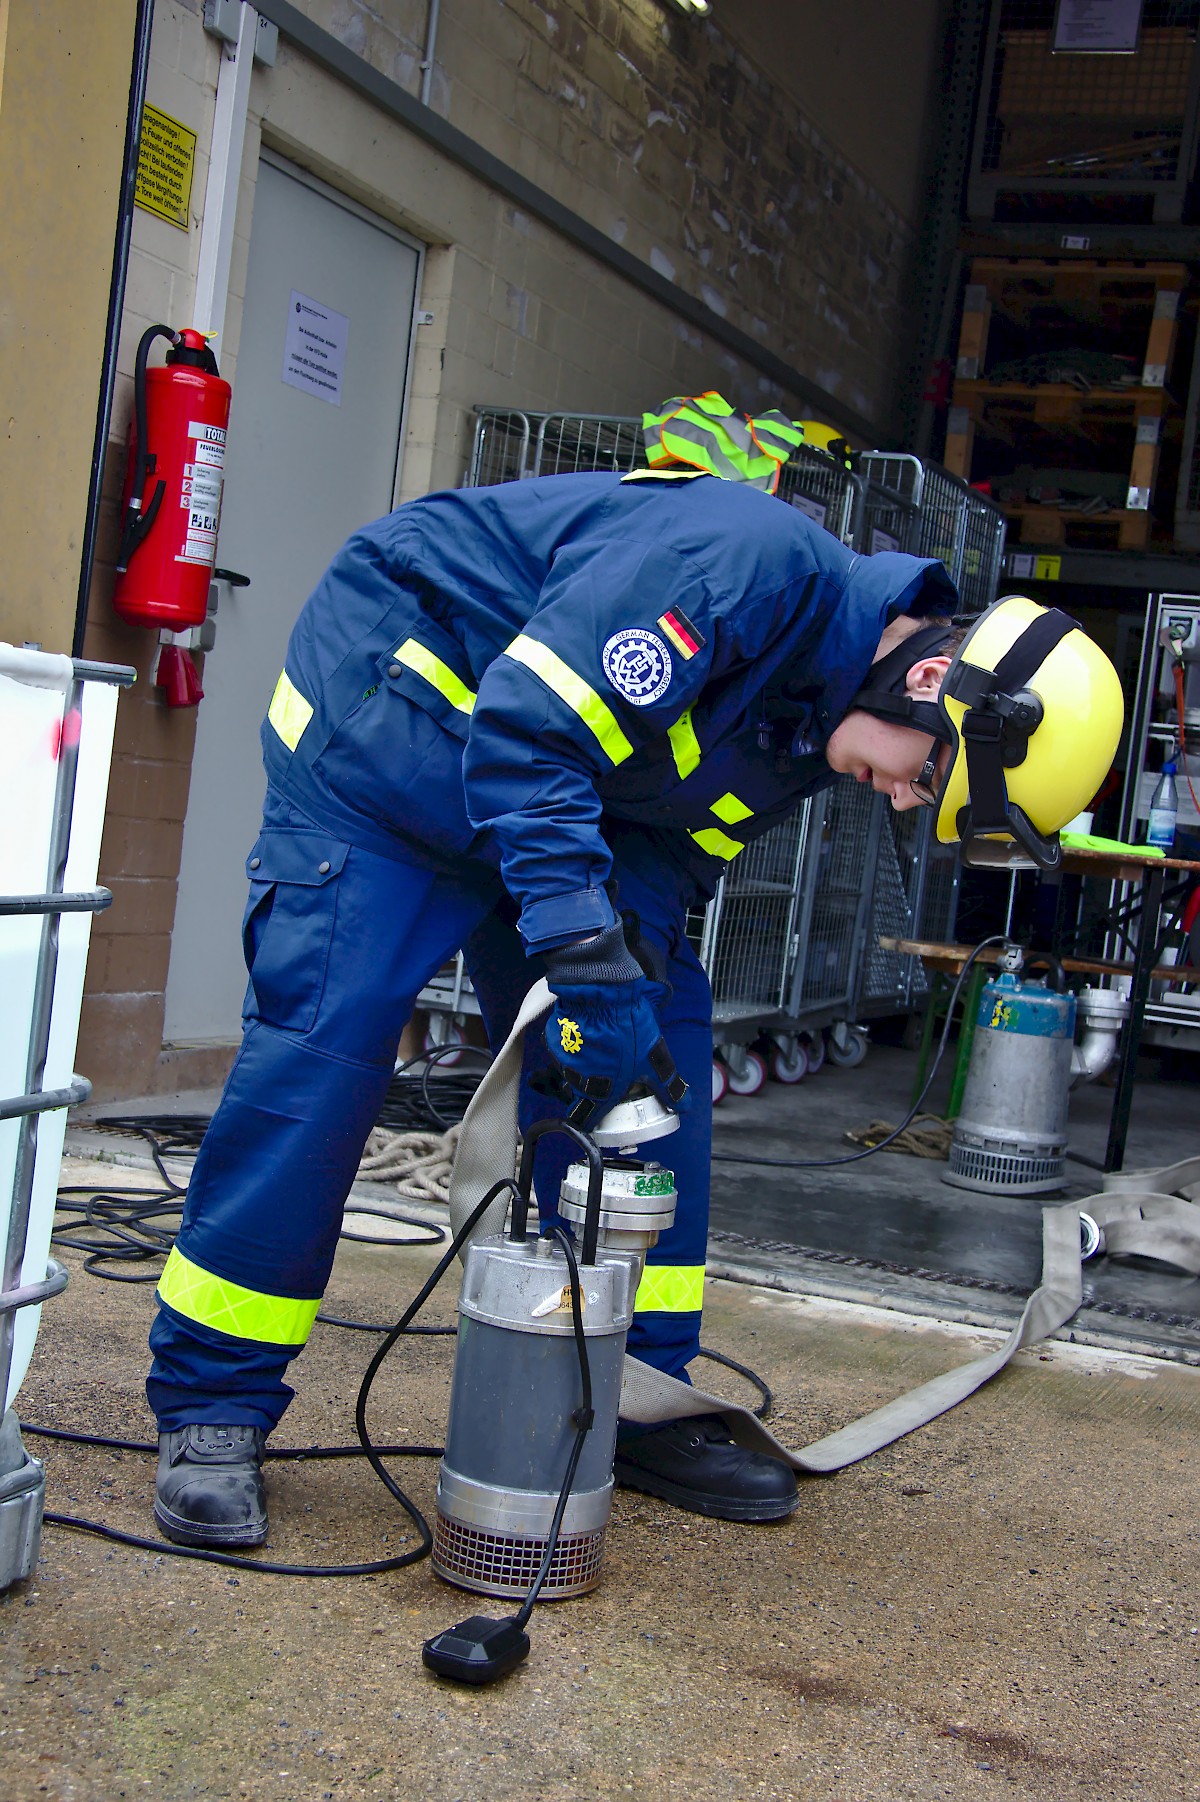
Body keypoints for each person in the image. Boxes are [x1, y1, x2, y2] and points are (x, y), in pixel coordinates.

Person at [146, 456, 1122, 1549]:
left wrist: (623, 987)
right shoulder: (732, 569)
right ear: (934, 685)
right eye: (921, 780)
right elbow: (527, 733)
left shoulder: (814, 714)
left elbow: (670, 848)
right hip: (394, 743)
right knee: (324, 1054)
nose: (900, 799)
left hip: (543, 797)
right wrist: (581, 950)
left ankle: (632, 1393)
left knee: (653, 1070)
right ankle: (214, 1407)